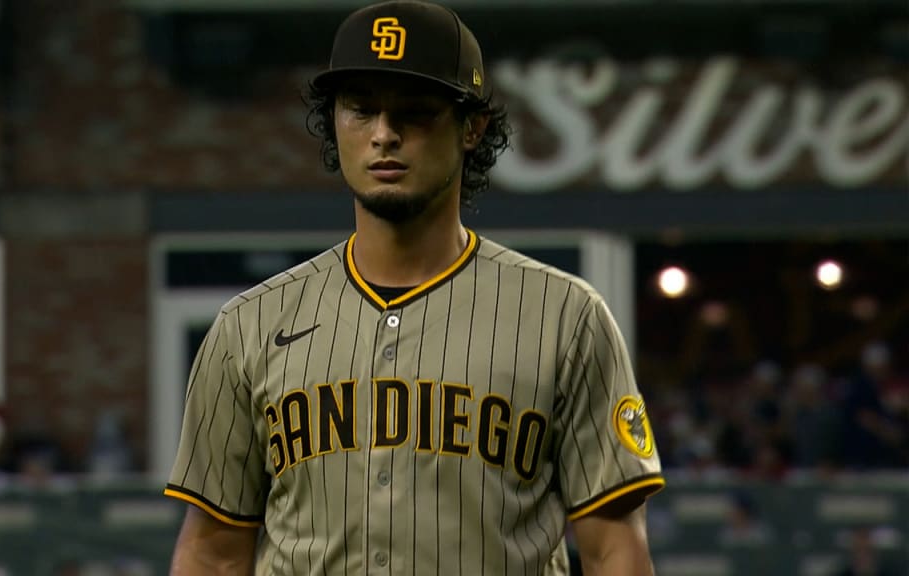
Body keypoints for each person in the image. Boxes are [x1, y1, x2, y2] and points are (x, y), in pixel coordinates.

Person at [163, 1, 665, 574]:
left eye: (415, 112)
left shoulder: (565, 317)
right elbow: (212, 552)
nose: (384, 134)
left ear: (471, 127)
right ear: (334, 120)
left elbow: (614, 552)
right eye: (361, 109)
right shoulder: (248, 325)